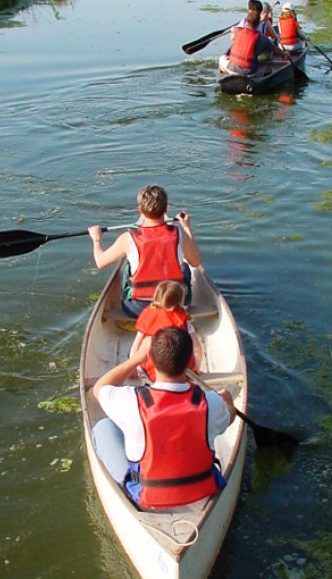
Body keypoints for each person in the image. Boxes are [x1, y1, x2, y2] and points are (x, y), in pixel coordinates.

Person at [92, 326, 236, 509]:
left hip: (148, 496)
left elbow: (99, 388)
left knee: (103, 427)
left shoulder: (131, 401)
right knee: (211, 427)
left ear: (150, 358)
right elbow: (230, 416)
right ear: (190, 361)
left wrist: (137, 358)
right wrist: (227, 401)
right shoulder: (211, 402)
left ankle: (128, 500)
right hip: (200, 492)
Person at [88, 184, 201, 318]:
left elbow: (100, 262)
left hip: (137, 309)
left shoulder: (128, 238)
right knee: (185, 267)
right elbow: (195, 261)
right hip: (175, 305)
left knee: (127, 268)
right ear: (166, 209)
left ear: (140, 210)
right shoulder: (179, 233)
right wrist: (187, 228)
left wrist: (96, 239)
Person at [129, 280, 204, 381]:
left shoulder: (148, 317)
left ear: (155, 297)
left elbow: (135, 347)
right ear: (180, 301)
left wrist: (133, 369)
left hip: (152, 374)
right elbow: (197, 349)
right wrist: (196, 368)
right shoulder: (184, 322)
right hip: (182, 373)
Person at [221, 0, 278, 76]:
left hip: (239, 60)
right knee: (269, 49)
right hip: (254, 60)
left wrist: (233, 31)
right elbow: (274, 38)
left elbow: (235, 37)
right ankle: (266, 70)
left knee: (222, 58)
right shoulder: (263, 26)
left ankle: (223, 75)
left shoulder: (243, 25)